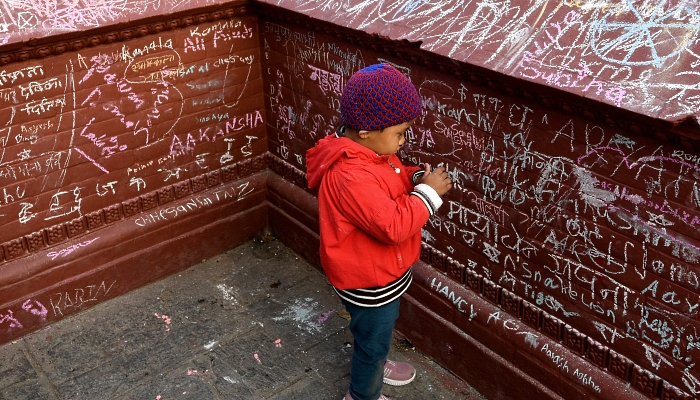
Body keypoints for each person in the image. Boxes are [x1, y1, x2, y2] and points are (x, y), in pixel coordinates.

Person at [306, 63, 453, 400]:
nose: (403, 141)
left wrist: (416, 179)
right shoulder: (350, 175)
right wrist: (428, 195)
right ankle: (362, 393)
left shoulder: (372, 153)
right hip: (371, 281)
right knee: (372, 338)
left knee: (374, 332)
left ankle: (376, 355)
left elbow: (392, 177)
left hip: (383, 271)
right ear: (367, 131)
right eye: (400, 132)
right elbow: (393, 225)